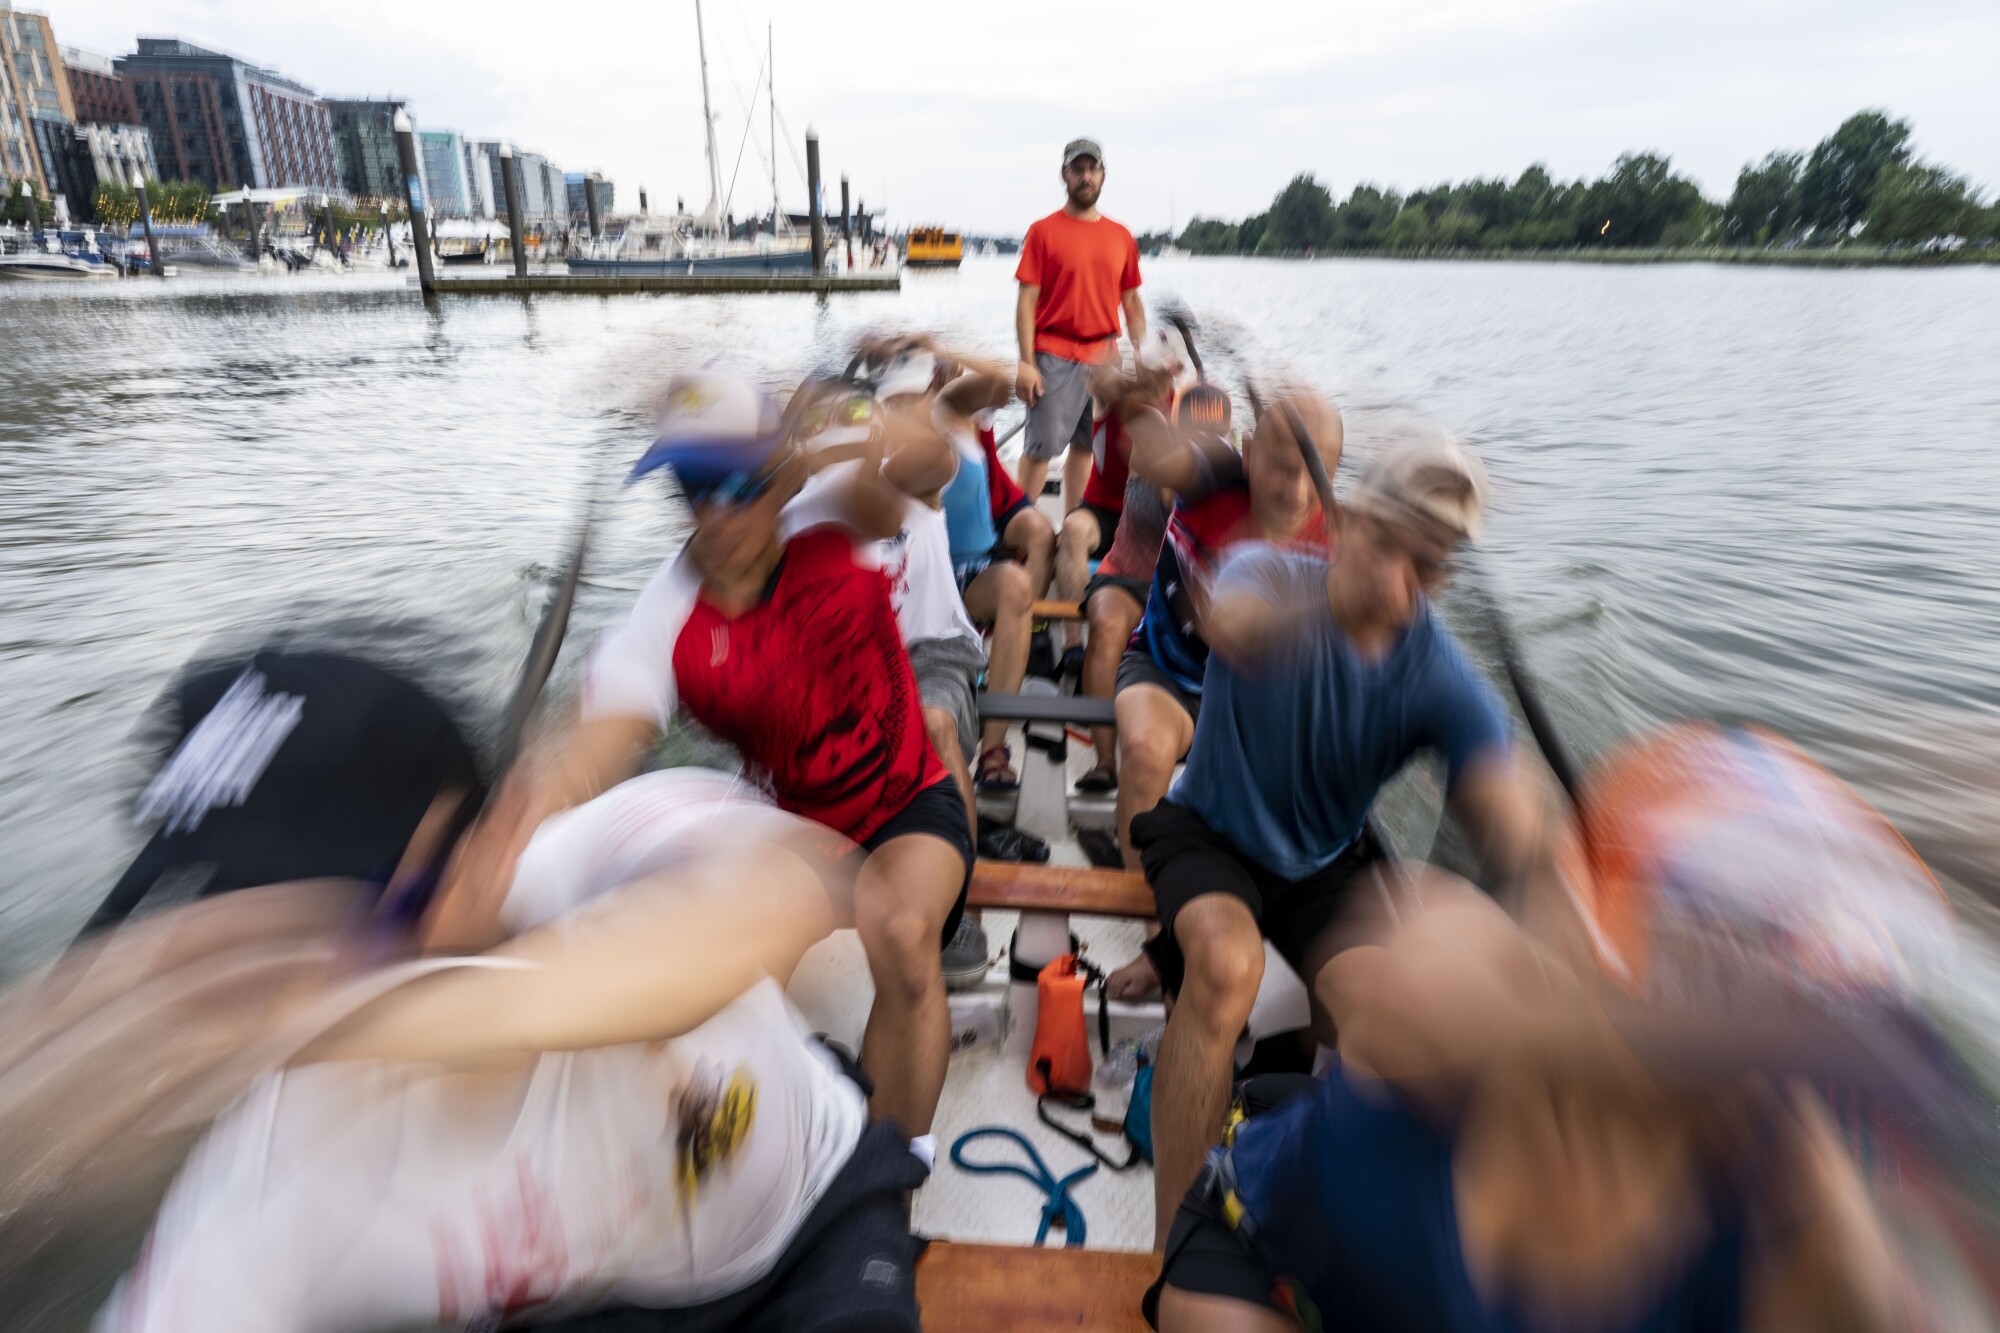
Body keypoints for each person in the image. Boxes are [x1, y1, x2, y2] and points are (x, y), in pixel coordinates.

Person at [1145, 724, 1957, 1332]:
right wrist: (1757, 1038)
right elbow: (1397, 994)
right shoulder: (1472, 955)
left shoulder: (1781, 1194)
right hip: (1259, 1263)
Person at [94, 770, 929, 1332]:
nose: (300, 982)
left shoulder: (594, 852)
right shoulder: (270, 1167)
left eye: (347, 918)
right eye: (234, 961)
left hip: (816, 1218)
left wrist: (371, 1014)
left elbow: (784, 894)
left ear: (486, 853)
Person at [432, 371, 973, 1141]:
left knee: (904, 933)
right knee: (712, 974)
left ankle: (894, 1176)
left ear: (781, 478)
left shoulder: (833, 514)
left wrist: (877, 429)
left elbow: (929, 468)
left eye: (738, 484)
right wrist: (497, 844)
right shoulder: (666, 614)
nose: (717, 512)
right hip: (793, 825)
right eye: (693, 487)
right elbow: (594, 743)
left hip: (909, 798)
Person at [1137, 434, 1559, 1241]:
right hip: (1206, 826)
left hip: (1322, 864)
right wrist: (1334, 604)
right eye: (1384, 545)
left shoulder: (1439, 674)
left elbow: (1511, 817)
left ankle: (1324, 1213)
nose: (1399, 584)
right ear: (1346, 521)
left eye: (1427, 565)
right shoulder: (1265, 570)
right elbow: (1233, 627)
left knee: (1386, 1020)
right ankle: (1173, 1247)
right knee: (1226, 966)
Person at [789, 342, 1009, 986]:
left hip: (932, 648)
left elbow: (941, 447)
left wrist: (927, 370)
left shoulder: (913, 466)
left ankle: (954, 910)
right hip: (853, 659)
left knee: (934, 727)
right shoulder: (795, 508)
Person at [1106, 379, 1340, 881]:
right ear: (1249, 453)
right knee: (1146, 750)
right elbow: (1151, 455)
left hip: (1255, 697)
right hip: (1169, 675)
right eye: (1280, 467)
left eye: (1312, 472)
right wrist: (1130, 400)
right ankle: (1138, 904)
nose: (1295, 491)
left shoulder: (1340, 541)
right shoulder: (1212, 475)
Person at [1013, 137, 1146, 507]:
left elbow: (1132, 300)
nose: (1085, 176)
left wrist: (1143, 355)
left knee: (1088, 447)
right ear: (1065, 175)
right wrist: (1026, 363)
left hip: (1106, 357)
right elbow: (1026, 302)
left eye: (1092, 169)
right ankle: (1019, 531)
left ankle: (1073, 520)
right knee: (1040, 449)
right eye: (1078, 169)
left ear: (1103, 175)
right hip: (1054, 352)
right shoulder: (1043, 231)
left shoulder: (1121, 236)